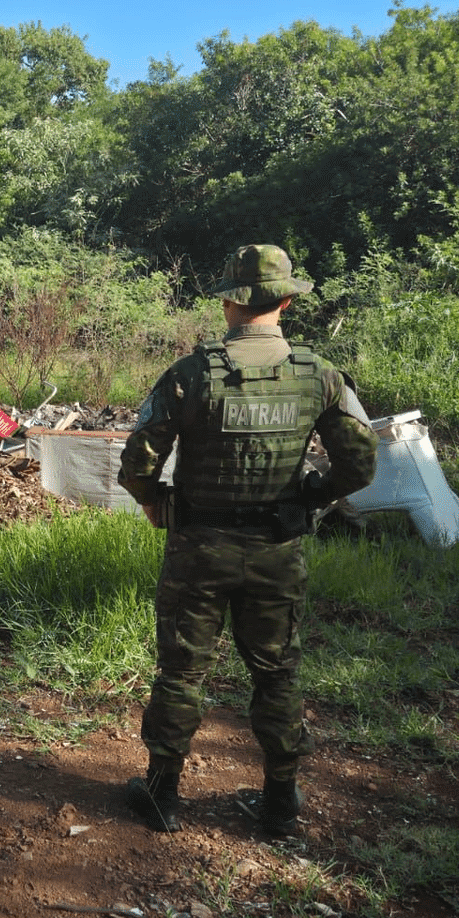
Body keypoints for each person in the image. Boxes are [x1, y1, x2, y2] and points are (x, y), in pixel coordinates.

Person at [115, 244, 378, 837]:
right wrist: (310, 497)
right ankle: (281, 806)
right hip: (276, 553)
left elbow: (137, 460)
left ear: (230, 302)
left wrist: (155, 502)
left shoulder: (187, 375)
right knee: (277, 672)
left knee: (182, 672)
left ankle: (162, 797)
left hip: (198, 550)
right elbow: (360, 464)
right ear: (286, 301)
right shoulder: (320, 375)